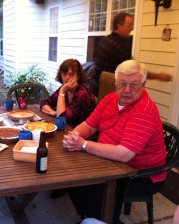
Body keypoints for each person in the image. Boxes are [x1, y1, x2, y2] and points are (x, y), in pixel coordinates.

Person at [63, 60, 166, 221]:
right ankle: (93, 216)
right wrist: (73, 136)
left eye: (134, 84)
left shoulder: (144, 110)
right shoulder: (110, 99)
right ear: (115, 83)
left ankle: (105, 219)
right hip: (107, 162)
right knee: (69, 176)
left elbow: (124, 154)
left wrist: (82, 144)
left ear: (144, 84)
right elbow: (89, 126)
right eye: (122, 84)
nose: (127, 90)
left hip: (140, 175)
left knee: (89, 184)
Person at [88, 12, 172, 97]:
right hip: (106, 92)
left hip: (93, 88)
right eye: (129, 25)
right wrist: (158, 76)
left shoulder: (104, 40)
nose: (132, 28)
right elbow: (137, 70)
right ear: (119, 26)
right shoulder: (120, 47)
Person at [40, 59, 96, 128]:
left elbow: (62, 119)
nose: (67, 77)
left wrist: (62, 92)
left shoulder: (82, 93)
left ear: (77, 76)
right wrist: (53, 112)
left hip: (83, 135)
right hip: (68, 129)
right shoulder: (65, 88)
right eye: (64, 74)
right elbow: (44, 103)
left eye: (71, 74)